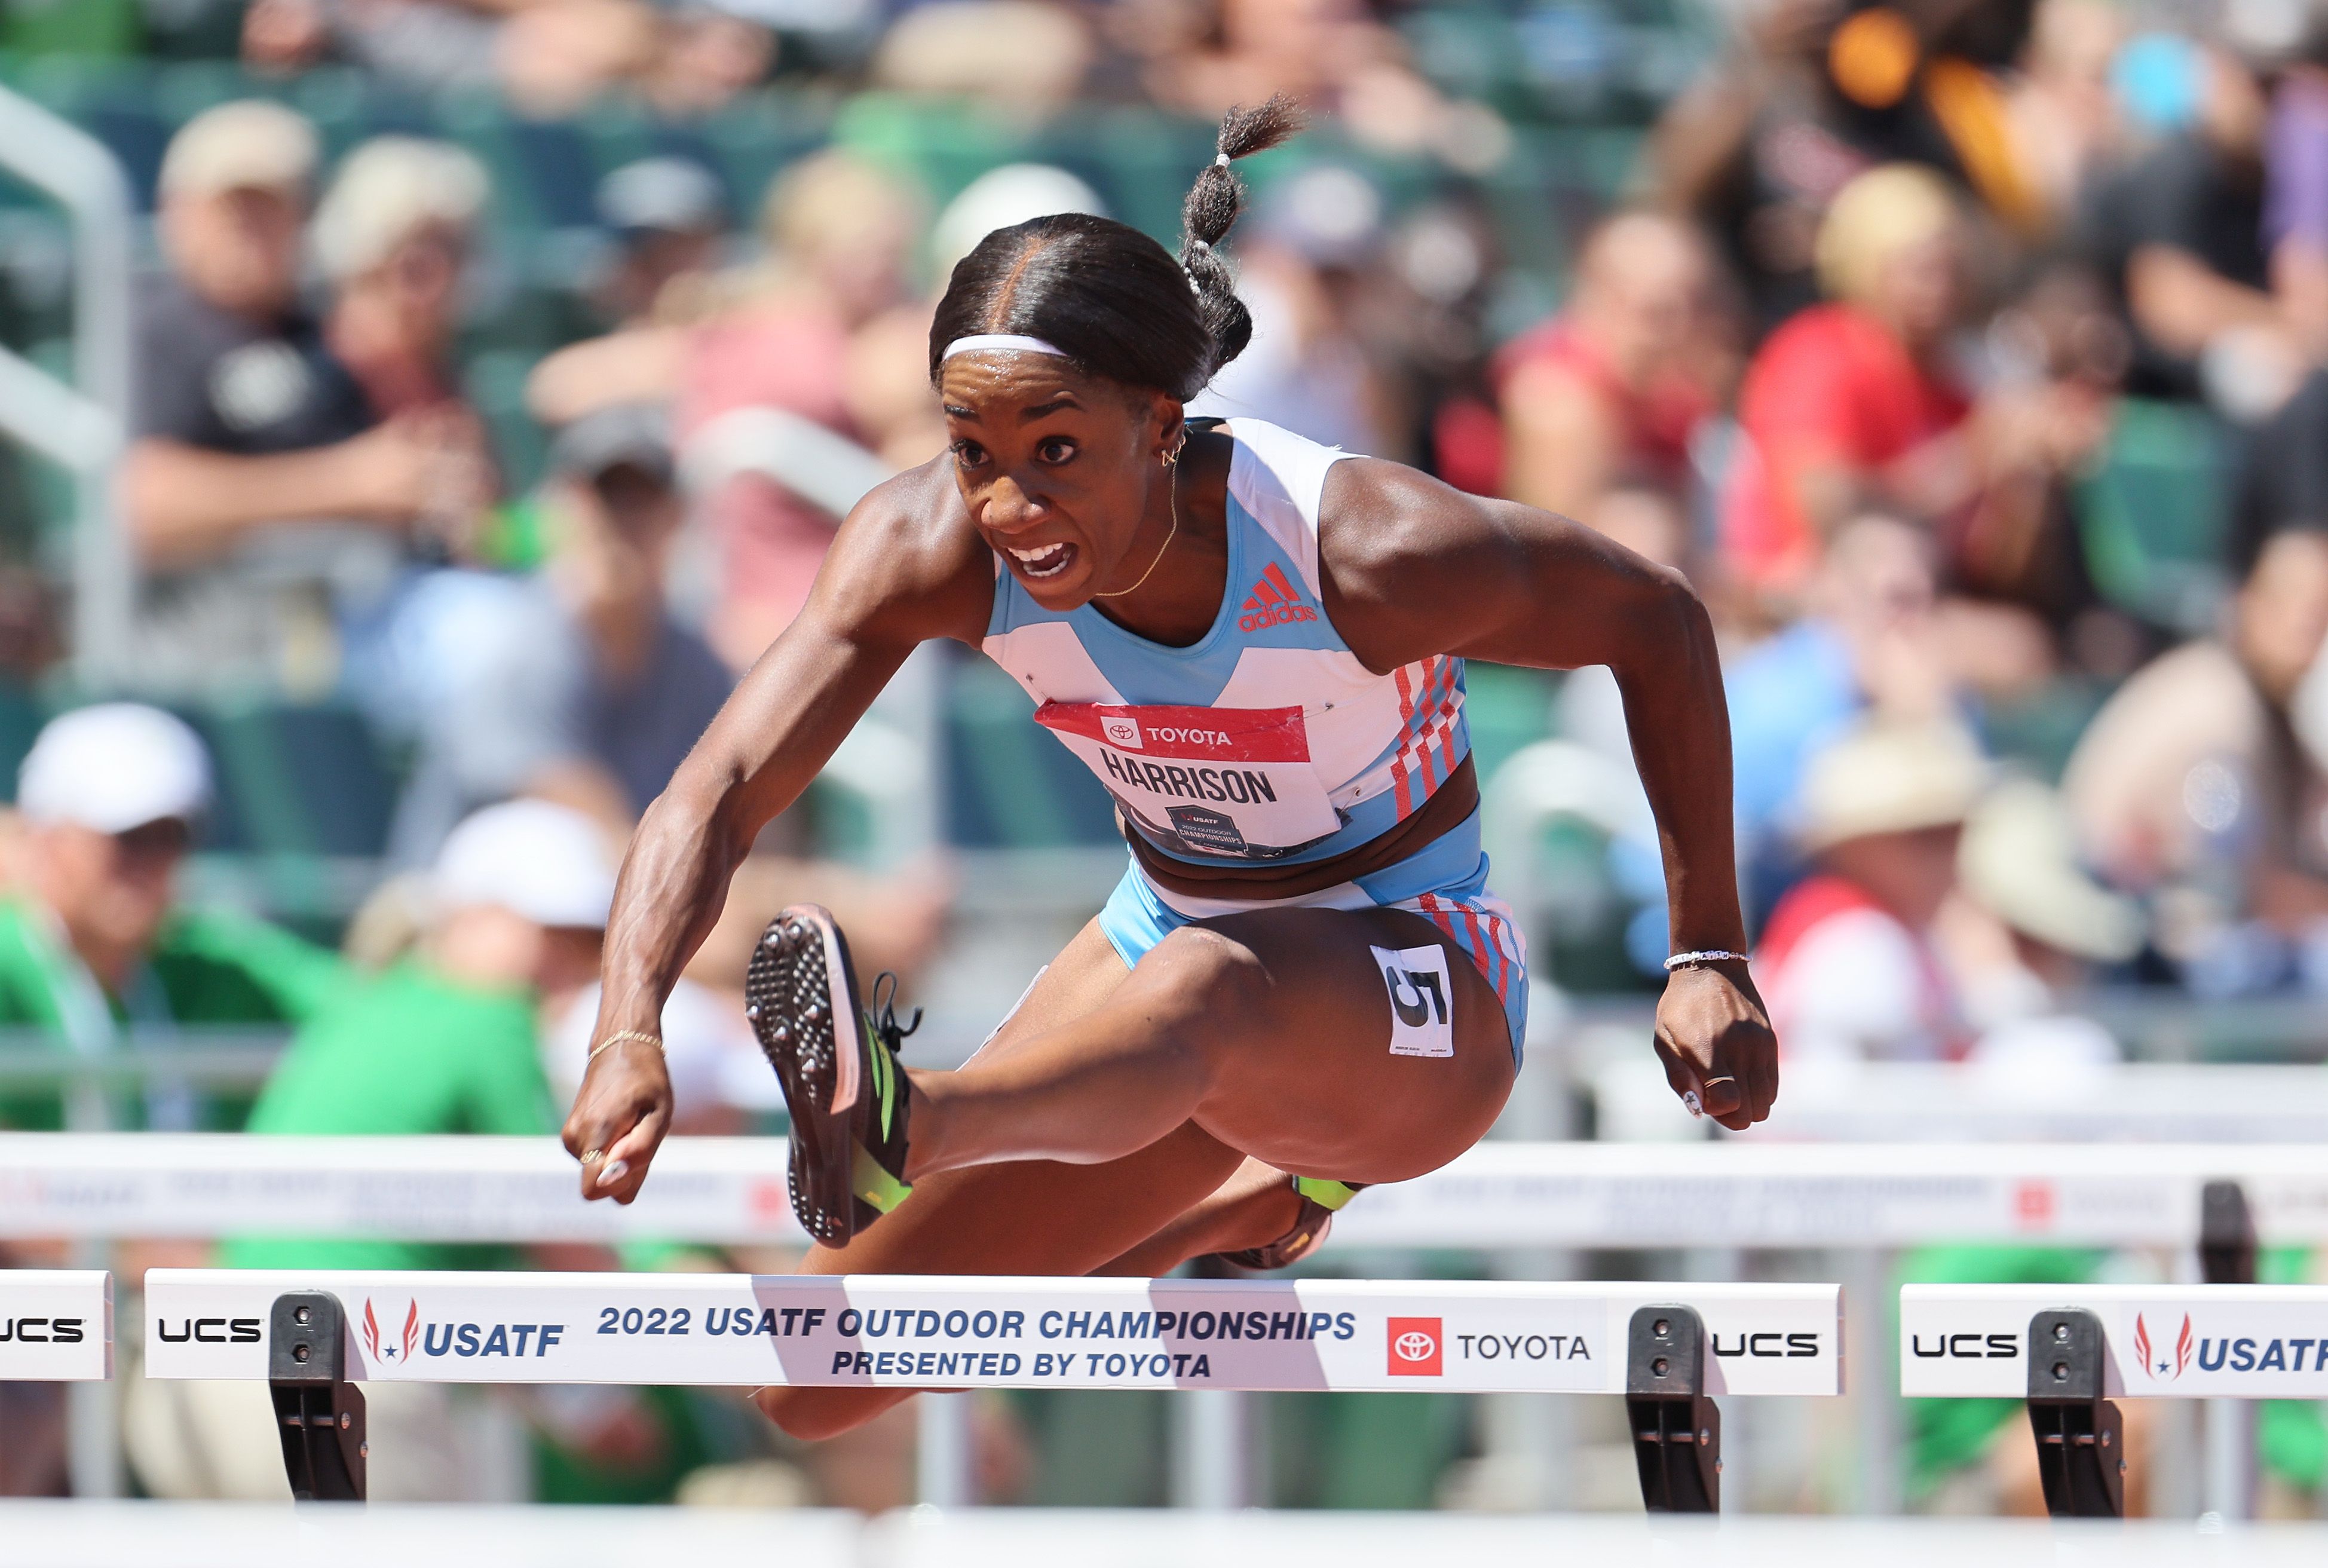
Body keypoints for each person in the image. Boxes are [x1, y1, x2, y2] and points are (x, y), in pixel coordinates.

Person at [563, 100, 1776, 1441]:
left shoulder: (1363, 551)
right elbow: (718, 783)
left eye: (1056, 451)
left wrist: (1705, 952)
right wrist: (630, 1020)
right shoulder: (927, 544)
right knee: (815, 1377)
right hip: (1175, 935)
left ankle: (918, 1124)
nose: (1012, 511)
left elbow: (1657, 619)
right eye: (976, 453)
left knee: (1199, 983)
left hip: (1418, 979)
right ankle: (1241, 1193)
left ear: (1159, 420)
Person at [126, 799, 619, 1503]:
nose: (572, 963)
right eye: (553, 932)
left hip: (200, 1382)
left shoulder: (372, 1004)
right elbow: (567, 1228)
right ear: (467, 916)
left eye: (588, 938)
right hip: (345, 1379)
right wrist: (599, 1397)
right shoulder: (490, 1020)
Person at [118, 102, 491, 692]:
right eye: (232, 206)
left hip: (354, 603)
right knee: (491, 641)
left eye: (271, 206)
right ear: (178, 212)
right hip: (218, 624)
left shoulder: (317, 334)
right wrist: (345, 486)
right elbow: (141, 505)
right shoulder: (156, 323)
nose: (251, 227)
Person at [1719, 163, 2102, 603]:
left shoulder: (1960, 377)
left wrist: (2028, 481)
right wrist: (1975, 456)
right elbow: (1835, 518)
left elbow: (2000, 573)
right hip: (1802, 595)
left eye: (1951, 271)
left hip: (1924, 598)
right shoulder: (1815, 357)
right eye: (1920, 271)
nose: (1939, 289)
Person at [387, 406, 733, 860]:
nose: (616, 524)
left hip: (625, 900)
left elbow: (745, 822)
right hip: (463, 913)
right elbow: (597, 832)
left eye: (638, 499)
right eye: (600, 497)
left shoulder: (696, 665)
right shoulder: (520, 646)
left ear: (675, 517)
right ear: (559, 509)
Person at [0, 704, 345, 1134]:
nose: (149, 863)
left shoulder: (209, 960)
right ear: (47, 839)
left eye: (172, 837)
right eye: (126, 837)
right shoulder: (11, 959)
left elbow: (371, 1008)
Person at [1754, 719, 1985, 1063]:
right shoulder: (1860, 944)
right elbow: (1839, 1102)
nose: (1948, 857)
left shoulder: (1873, 923)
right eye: (1923, 837)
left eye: (1955, 834)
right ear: (1854, 848)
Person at [1494, 212, 1725, 527]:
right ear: (1602, 299)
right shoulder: (1557, 399)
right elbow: (1552, 551)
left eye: (1696, 308)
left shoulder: (1668, 392)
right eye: (1659, 312)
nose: (1680, 330)